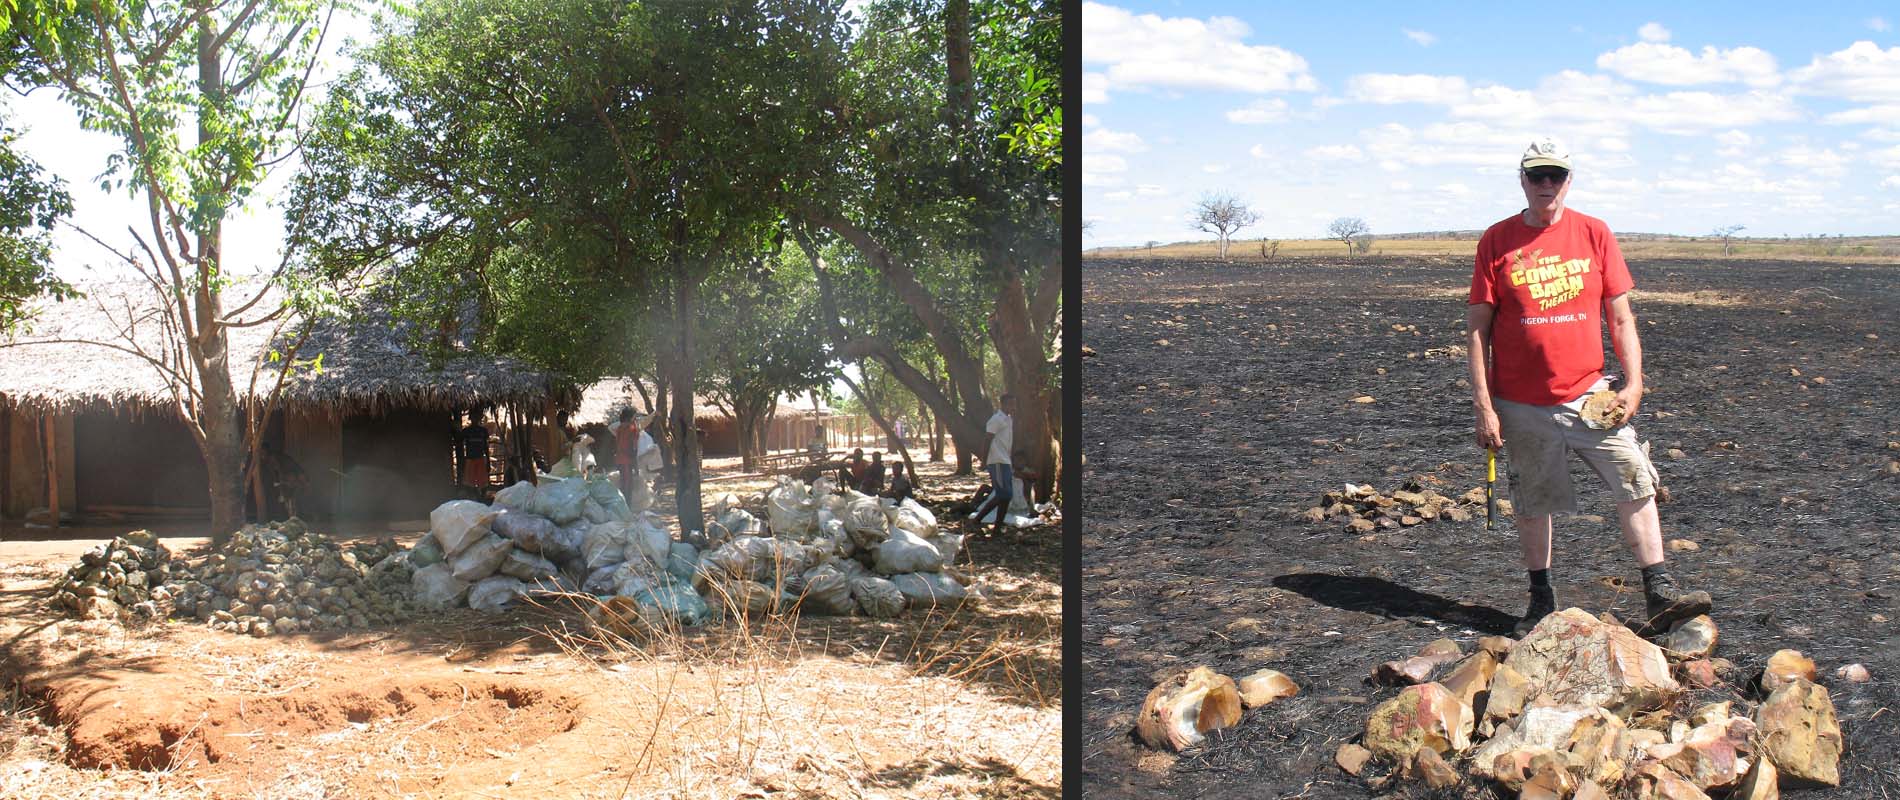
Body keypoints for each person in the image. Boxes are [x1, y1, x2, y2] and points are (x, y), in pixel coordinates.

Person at [1468, 137, 1711, 638]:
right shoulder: (1497, 240)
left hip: (1590, 395)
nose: (1546, 184)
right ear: (1523, 180)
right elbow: (1478, 330)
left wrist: (1635, 382)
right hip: (1521, 402)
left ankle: (1659, 590)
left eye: (1555, 175)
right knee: (1534, 500)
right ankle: (1541, 599)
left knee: (1635, 476)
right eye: (1537, 175)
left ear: (1568, 180)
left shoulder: (1594, 233)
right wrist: (1484, 406)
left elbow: (1621, 318)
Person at [970, 394, 1014, 535]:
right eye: (1009, 404)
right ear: (1002, 404)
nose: (1012, 407)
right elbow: (987, 439)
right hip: (997, 461)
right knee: (1004, 494)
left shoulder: (1009, 419)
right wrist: (984, 460)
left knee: (1005, 495)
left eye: (1014, 404)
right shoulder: (996, 420)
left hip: (1006, 460)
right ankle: (979, 519)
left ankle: (997, 527)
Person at [459, 409, 490, 492]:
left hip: (480, 458)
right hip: (470, 459)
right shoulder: (466, 431)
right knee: (469, 483)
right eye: (473, 417)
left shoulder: (483, 431)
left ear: (479, 418)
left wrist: (488, 461)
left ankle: (482, 499)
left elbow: (486, 447)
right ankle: (472, 498)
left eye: (476, 417)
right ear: (470, 418)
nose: (475, 419)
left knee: (482, 483)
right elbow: (459, 443)